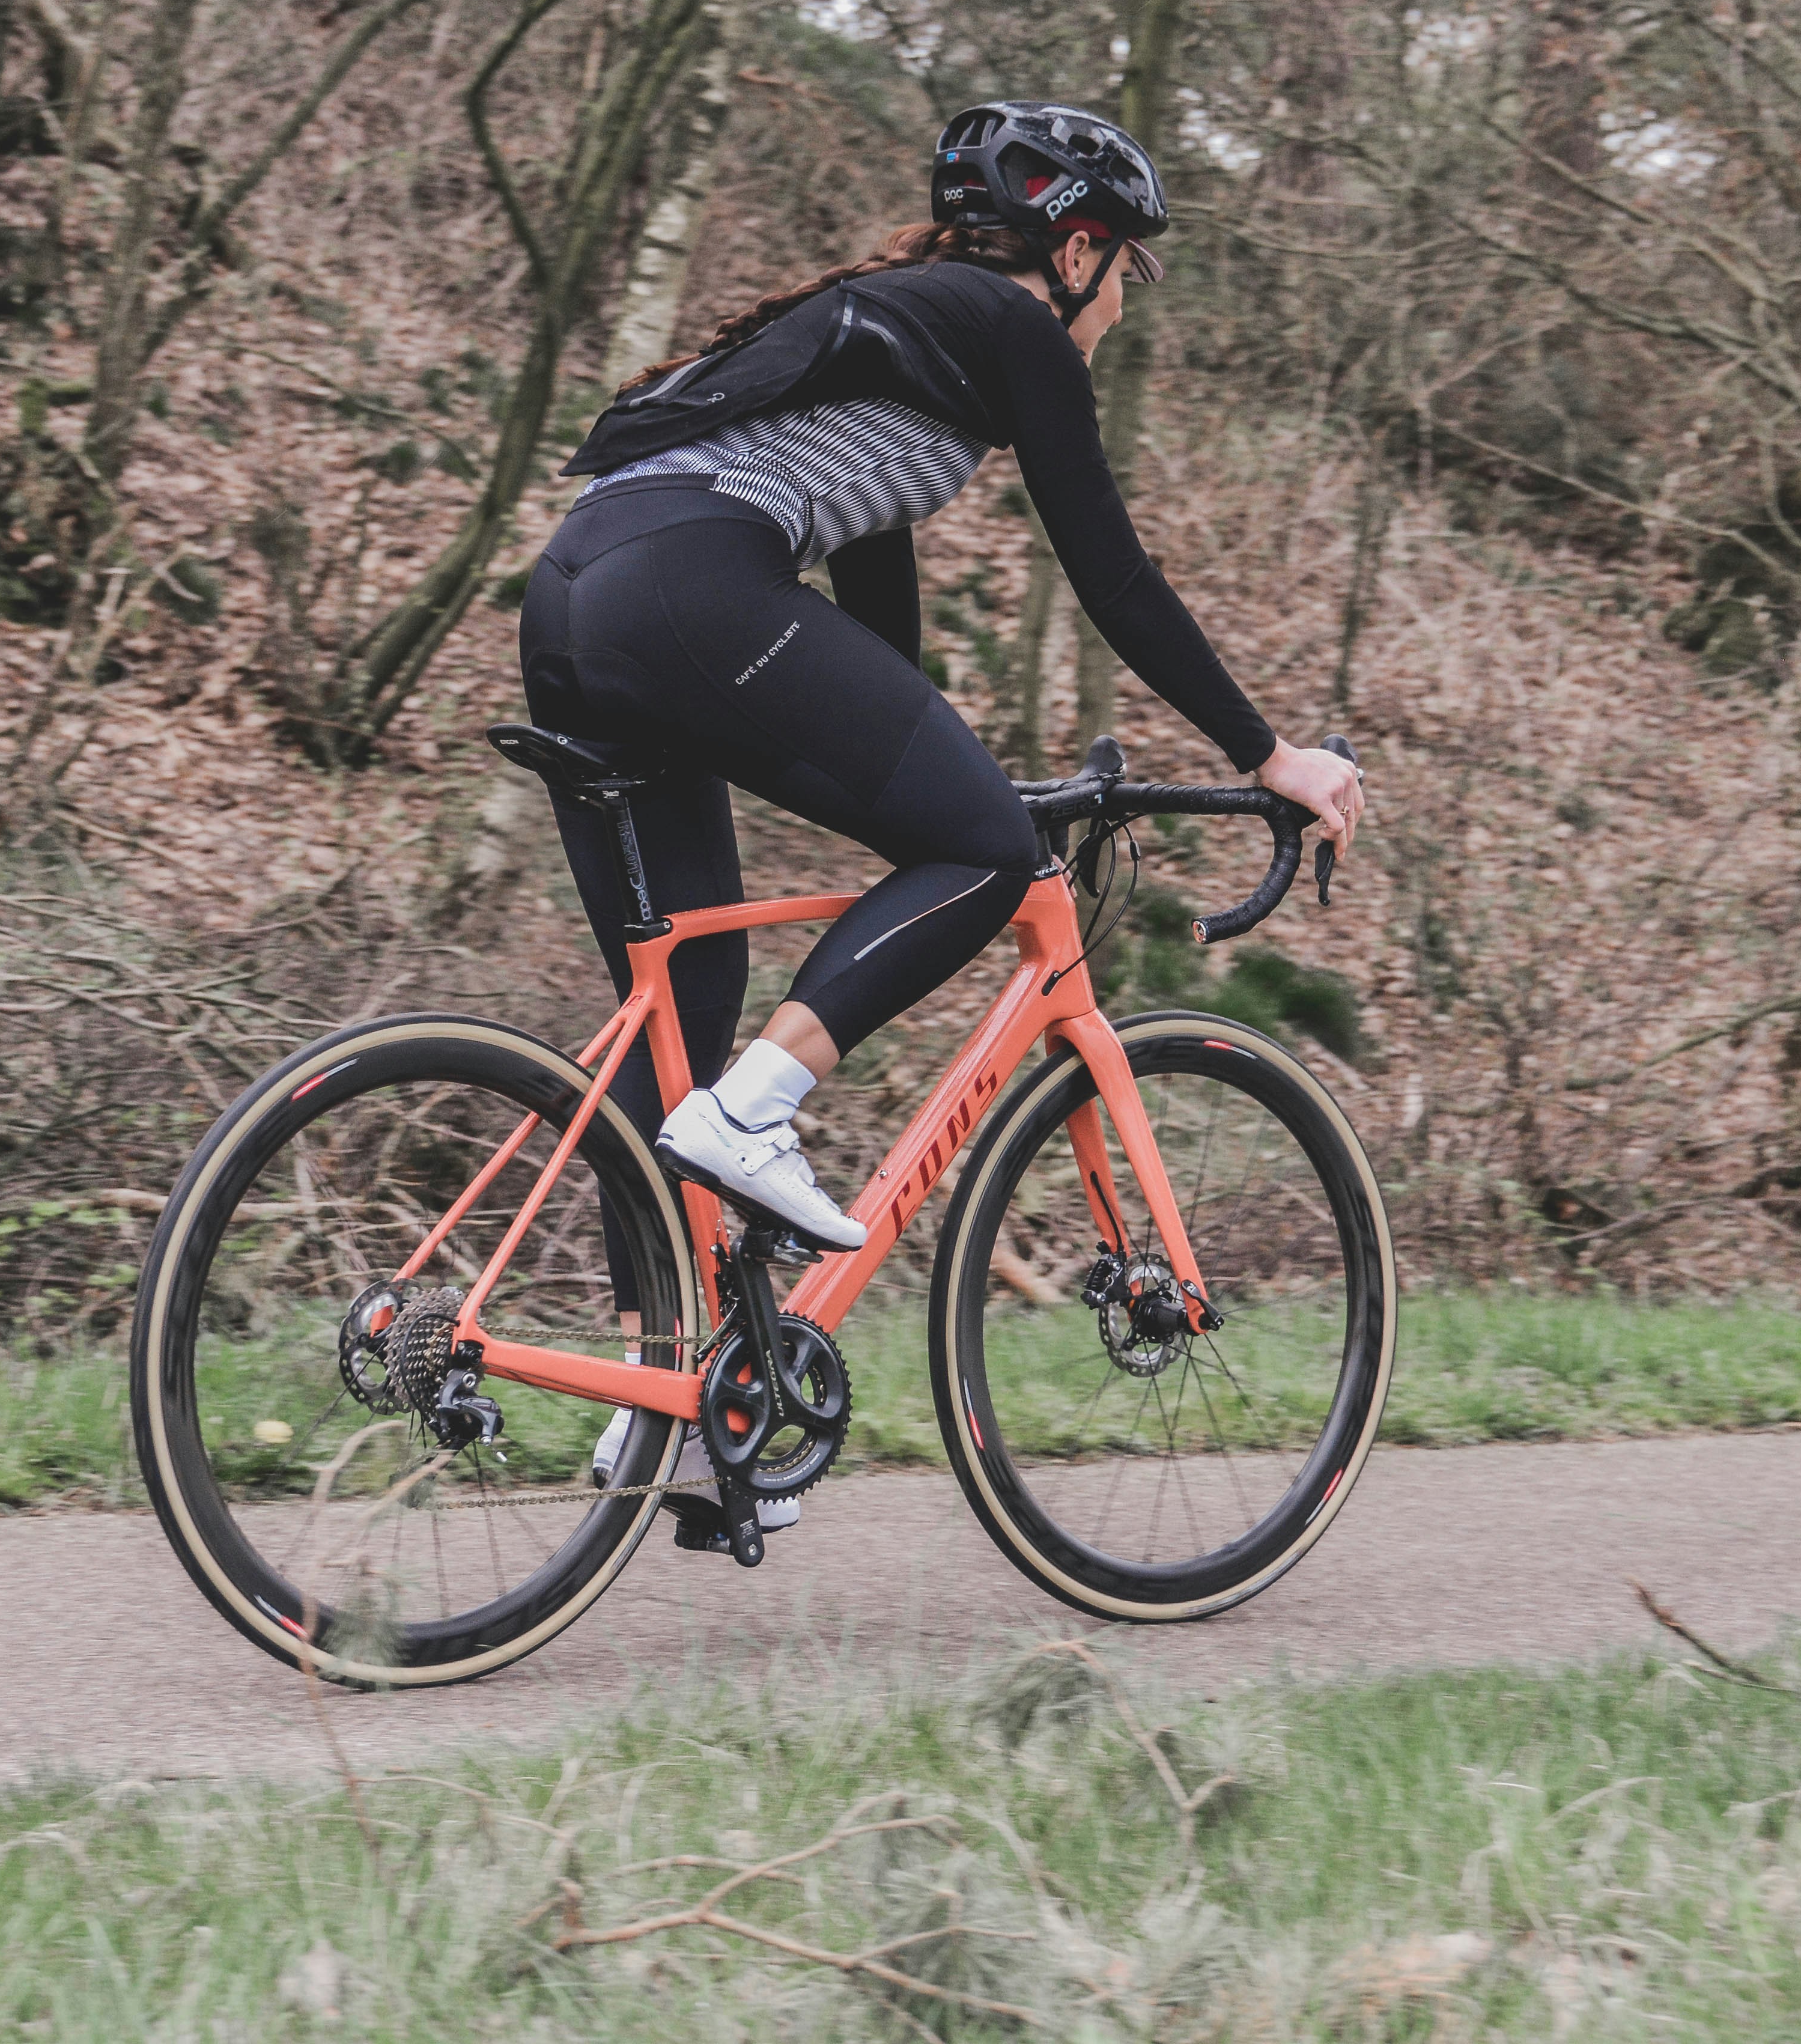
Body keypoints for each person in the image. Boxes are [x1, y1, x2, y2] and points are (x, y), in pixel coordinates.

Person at [514, 100, 1365, 1529]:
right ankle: (764, 1114)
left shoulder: (897, 336)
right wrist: (1265, 749)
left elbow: (876, 634)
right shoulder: (1012, 325)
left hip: (579, 592)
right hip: (691, 581)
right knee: (978, 856)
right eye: (1129, 278)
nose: (1118, 312)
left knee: (694, 993)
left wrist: (941, 777)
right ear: (1080, 248)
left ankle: (680, 1397)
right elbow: (1113, 571)